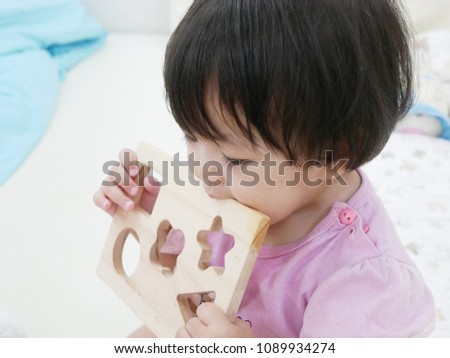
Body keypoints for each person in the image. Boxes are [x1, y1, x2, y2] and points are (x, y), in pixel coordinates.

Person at [93, 0, 435, 337]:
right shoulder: (236, 194)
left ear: (334, 154)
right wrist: (148, 212)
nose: (200, 170)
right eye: (191, 136)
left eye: (235, 160)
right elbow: (183, 275)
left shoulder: (361, 285)